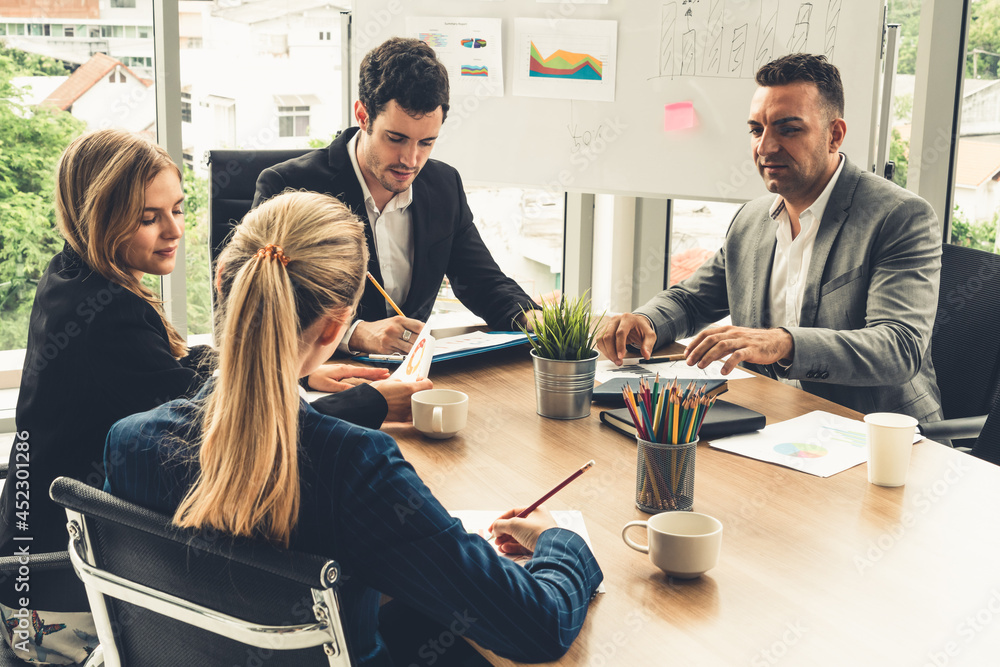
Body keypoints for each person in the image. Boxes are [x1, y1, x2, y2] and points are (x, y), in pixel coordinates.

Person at [104, 191, 603, 666]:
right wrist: (559, 543)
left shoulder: (130, 442)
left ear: (221, 281)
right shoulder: (355, 467)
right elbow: (536, 626)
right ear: (335, 327)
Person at [0, 130, 425, 664]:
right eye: (147, 218)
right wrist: (375, 403)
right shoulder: (107, 318)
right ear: (97, 216)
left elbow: (177, 378)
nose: (174, 230)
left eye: (177, 209)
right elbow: (227, 423)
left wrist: (297, 370)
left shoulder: (77, 277)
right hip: (56, 600)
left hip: (34, 558)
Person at [597, 53, 943, 422]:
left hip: (872, 436)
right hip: (774, 420)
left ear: (834, 135)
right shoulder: (752, 219)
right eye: (757, 129)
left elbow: (899, 347)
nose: (765, 147)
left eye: (788, 129)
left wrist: (784, 343)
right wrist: (645, 321)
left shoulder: (899, 216)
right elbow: (692, 301)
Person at [253, 37, 539, 356]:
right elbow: (260, 306)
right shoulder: (289, 186)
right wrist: (355, 333)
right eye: (396, 138)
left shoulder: (444, 186)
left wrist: (531, 318)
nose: (411, 159)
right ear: (363, 116)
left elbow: (485, 284)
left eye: (426, 142)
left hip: (411, 379)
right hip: (318, 380)